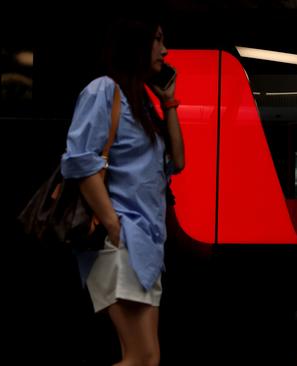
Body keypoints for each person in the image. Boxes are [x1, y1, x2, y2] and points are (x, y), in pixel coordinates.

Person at [60, 17, 184, 366]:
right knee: (142, 355)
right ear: (136, 43)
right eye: (157, 39)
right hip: (123, 241)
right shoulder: (104, 90)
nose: (165, 49)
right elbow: (81, 164)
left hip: (144, 245)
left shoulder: (140, 101)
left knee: (147, 357)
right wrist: (115, 227)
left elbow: (178, 162)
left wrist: (168, 103)